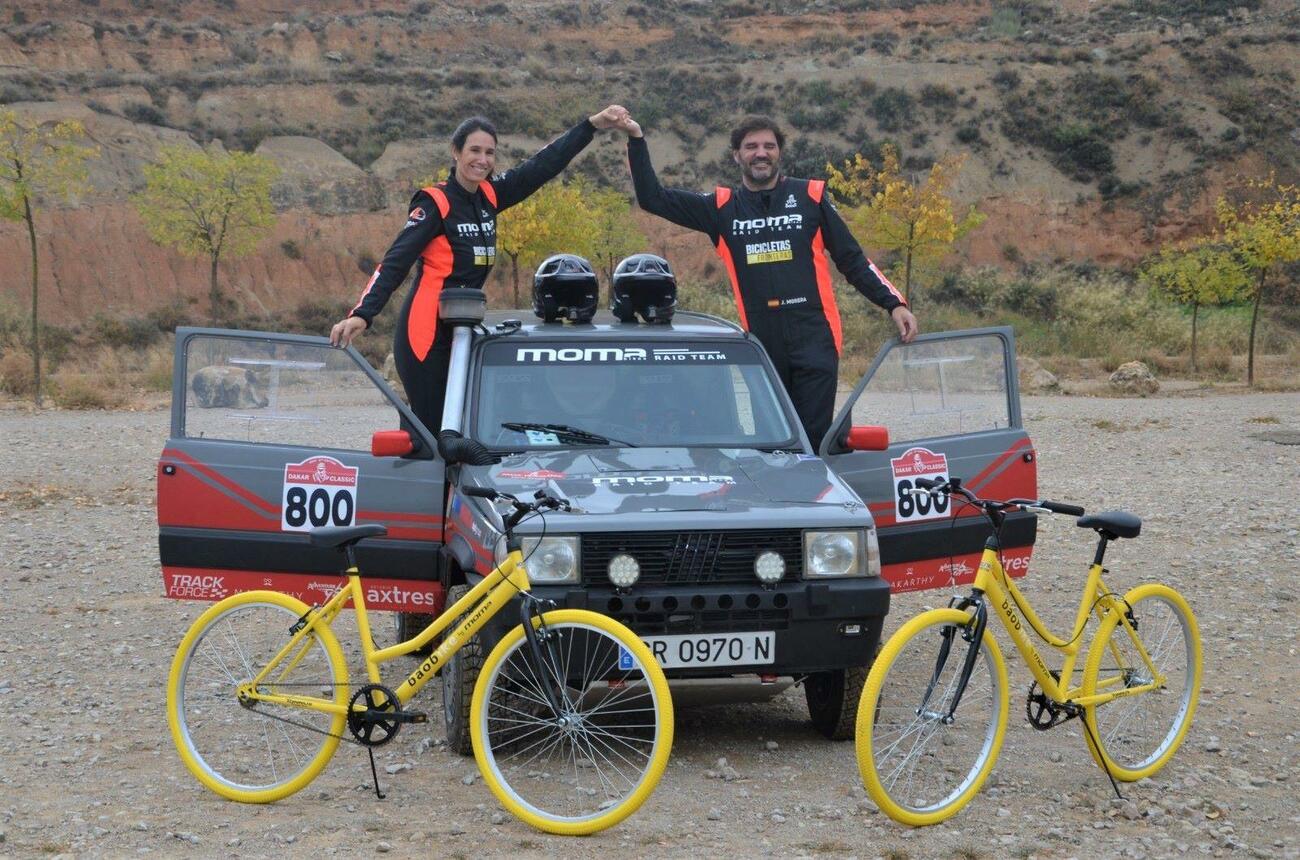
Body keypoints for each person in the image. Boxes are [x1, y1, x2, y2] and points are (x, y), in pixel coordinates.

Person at [616, 113, 919, 447]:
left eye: (768, 146)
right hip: (761, 342)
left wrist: (894, 303)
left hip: (815, 335)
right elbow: (652, 198)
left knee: (813, 440)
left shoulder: (811, 197)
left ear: (779, 153)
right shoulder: (721, 207)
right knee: (770, 442)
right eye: (751, 146)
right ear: (736, 155)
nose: (761, 153)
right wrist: (636, 138)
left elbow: (853, 260)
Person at [330, 105, 630, 433]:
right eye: (474, 150)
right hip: (426, 336)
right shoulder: (434, 203)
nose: (482, 160)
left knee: (465, 428)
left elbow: (543, 164)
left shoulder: (489, 196)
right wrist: (362, 313)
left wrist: (591, 125)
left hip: (463, 331)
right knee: (431, 434)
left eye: (490, 153)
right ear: (456, 152)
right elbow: (394, 262)